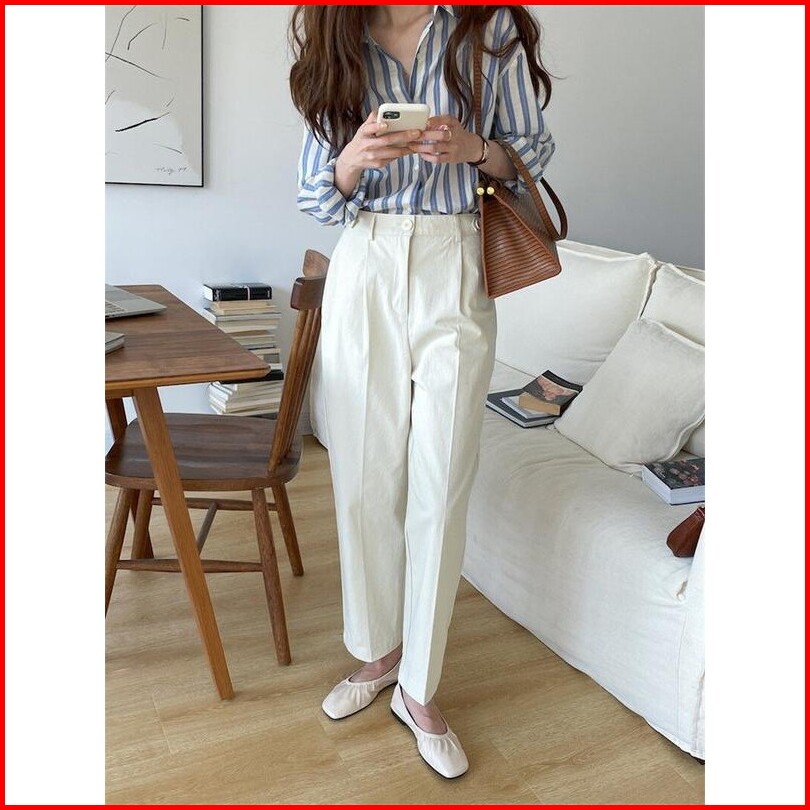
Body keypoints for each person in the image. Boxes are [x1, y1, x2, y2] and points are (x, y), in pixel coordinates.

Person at [289, 5, 555, 778]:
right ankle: (377, 654)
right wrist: (352, 160)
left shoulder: (487, 28)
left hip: (456, 258)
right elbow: (315, 195)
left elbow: (534, 150)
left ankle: (420, 687)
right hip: (366, 258)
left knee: (442, 482)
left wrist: (476, 150)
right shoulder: (338, 39)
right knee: (363, 476)